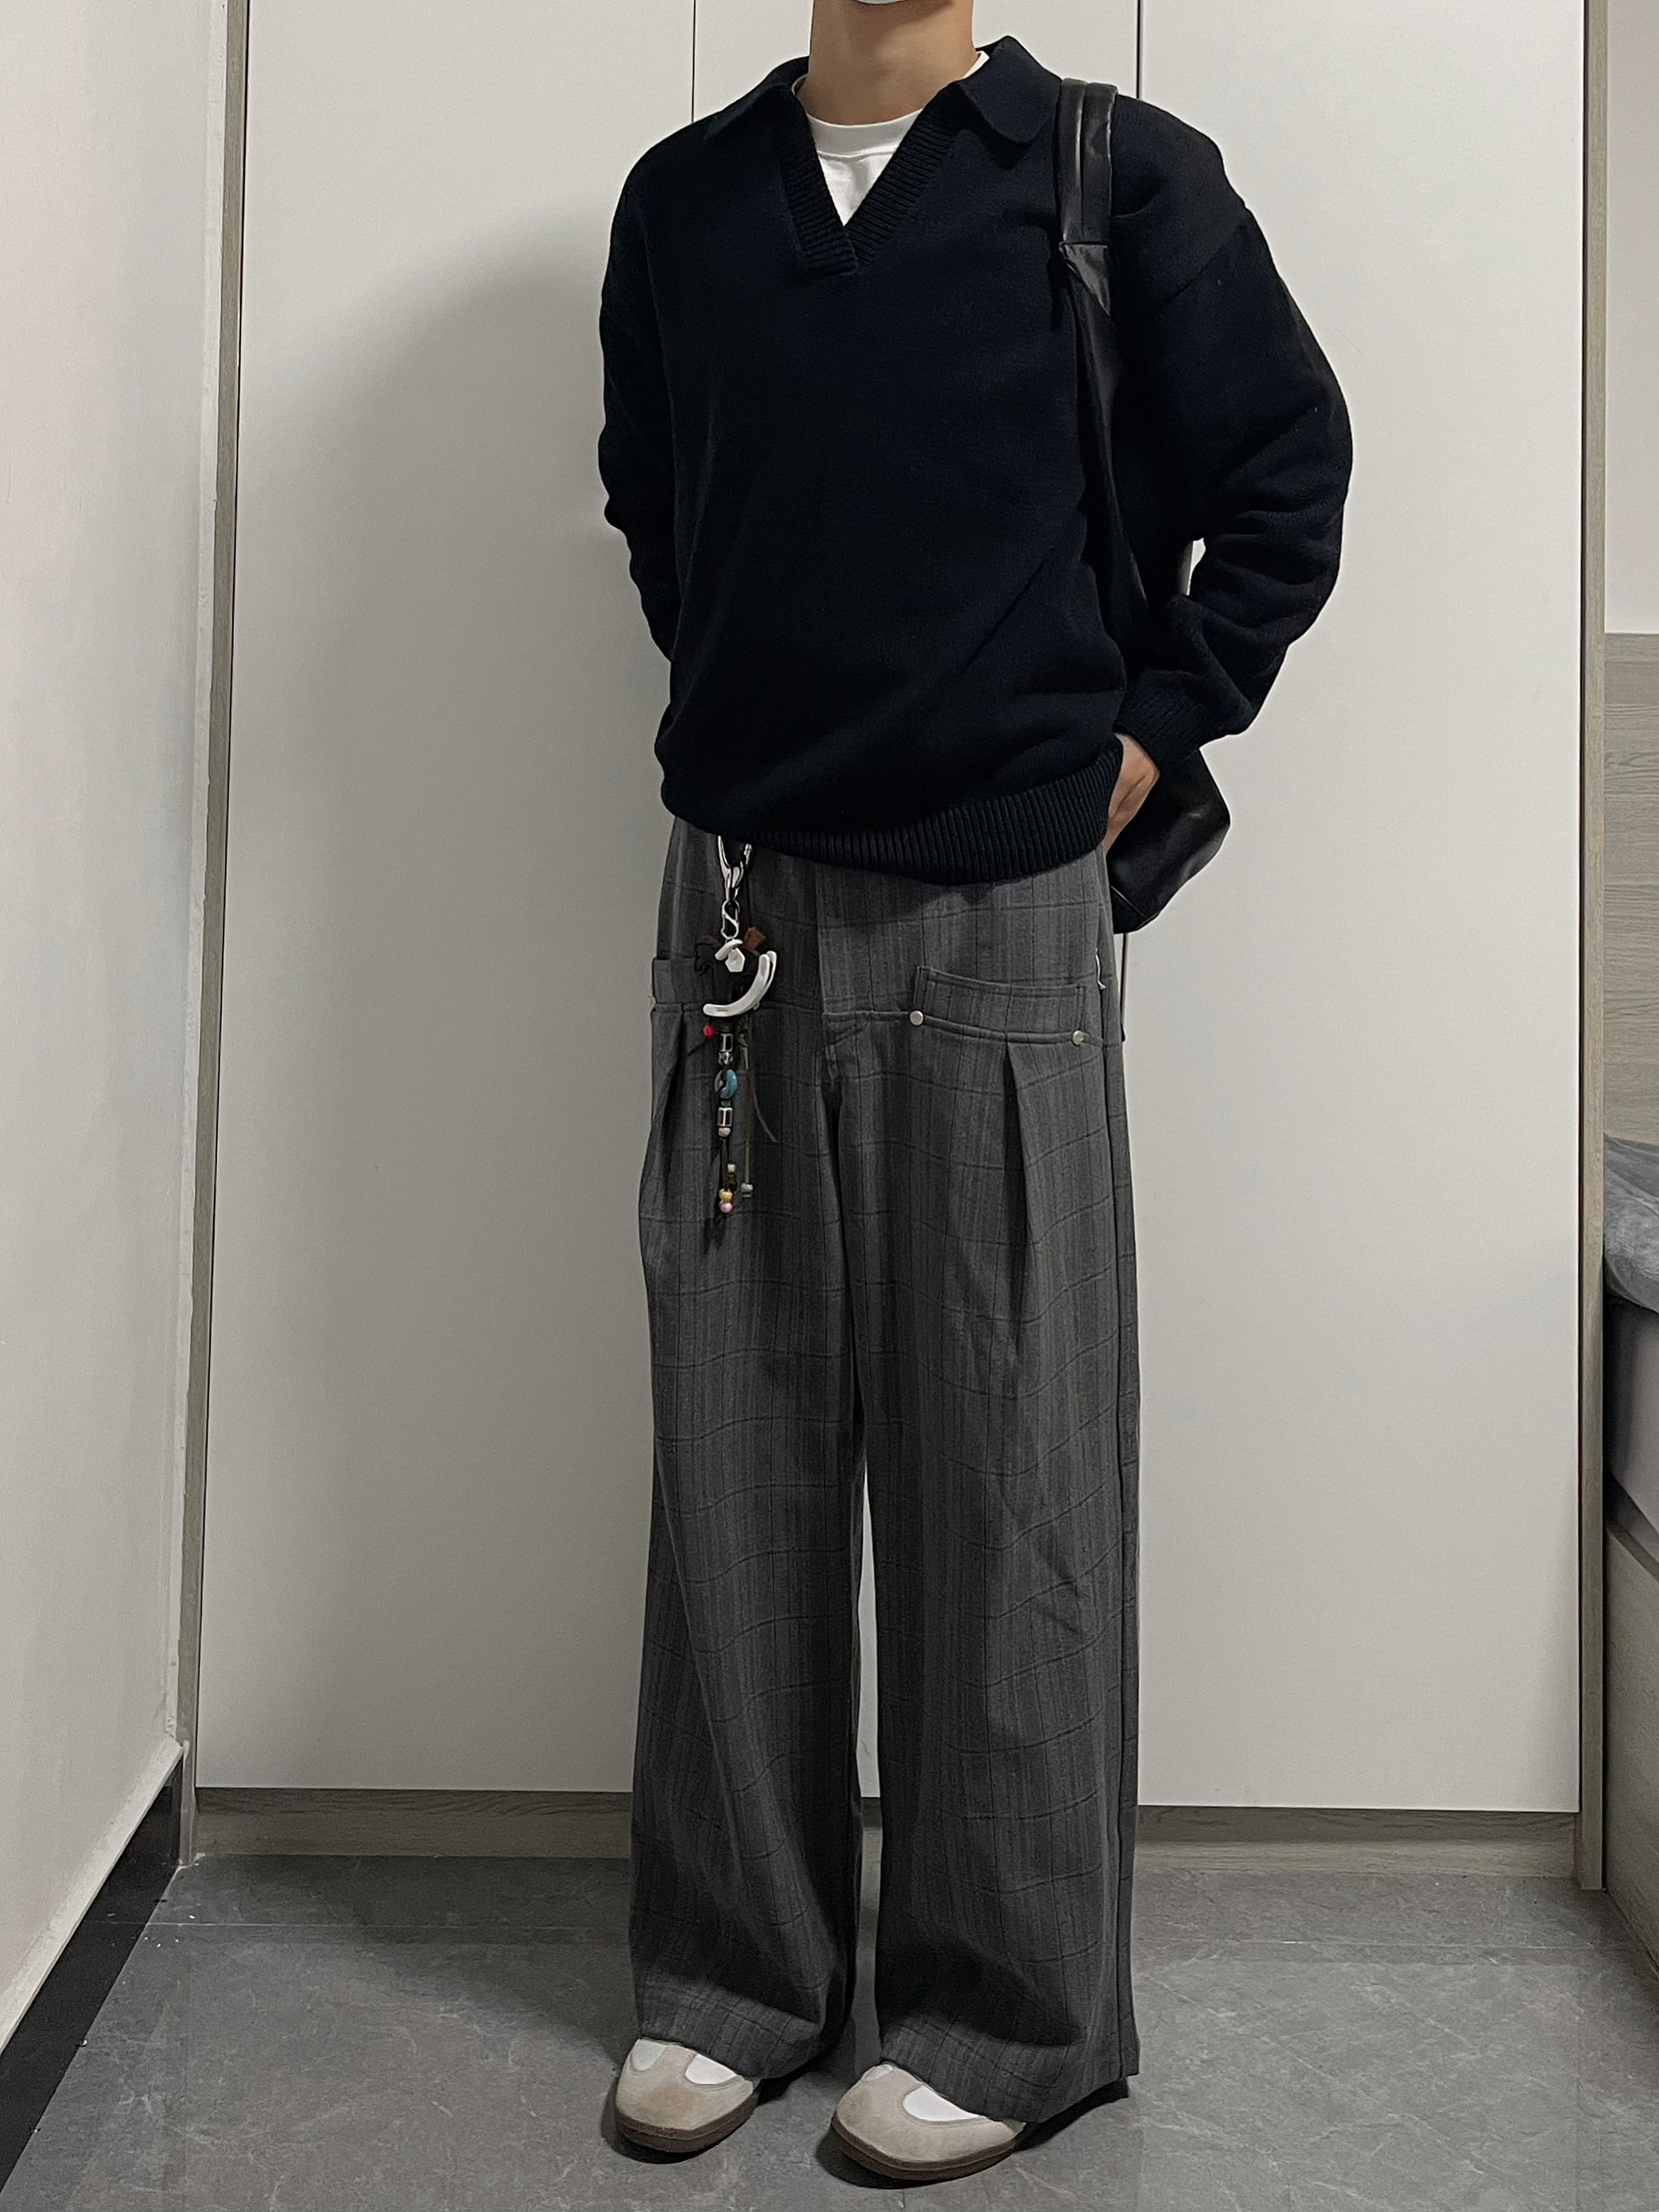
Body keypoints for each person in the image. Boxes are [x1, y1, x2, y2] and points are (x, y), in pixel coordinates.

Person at [596, 0, 1350, 2184]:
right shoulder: (686, 205)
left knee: (1005, 1459)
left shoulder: (1115, 177)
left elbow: (1286, 476)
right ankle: (732, 1976)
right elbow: (657, 507)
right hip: (739, 895)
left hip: (1008, 905)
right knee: (732, 1448)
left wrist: (1155, 725)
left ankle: (1018, 2016)